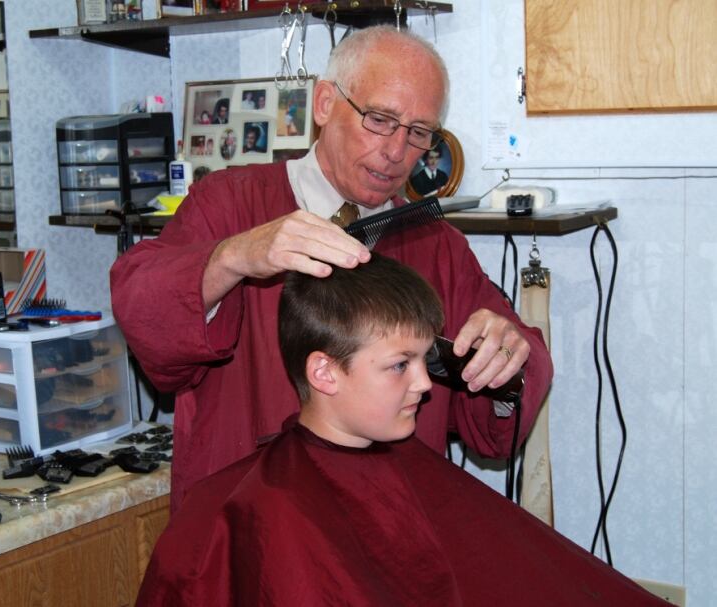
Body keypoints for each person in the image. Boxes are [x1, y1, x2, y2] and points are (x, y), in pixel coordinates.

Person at [110, 26, 554, 512]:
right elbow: (141, 305)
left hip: (392, 522)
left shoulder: (437, 245)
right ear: (324, 104)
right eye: (380, 119)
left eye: (419, 133)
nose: (396, 151)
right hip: (251, 523)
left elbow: (514, 374)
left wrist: (507, 357)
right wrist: (233, 257)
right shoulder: (229, 203)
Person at [136, 255, 666, 606]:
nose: (426, 385)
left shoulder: (414, 473)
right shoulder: (235, 511)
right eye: (400, 365)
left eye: (424, 359)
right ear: (325, 372)